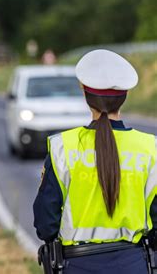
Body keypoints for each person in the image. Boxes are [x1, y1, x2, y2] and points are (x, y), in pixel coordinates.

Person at [33, 49, 156, 273]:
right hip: (133, 265)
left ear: (85, 95)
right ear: (125, 95)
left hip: (77, 265)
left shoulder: (63, 147)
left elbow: (45, 224)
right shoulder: (150, 149)